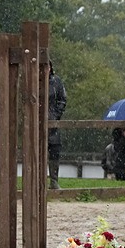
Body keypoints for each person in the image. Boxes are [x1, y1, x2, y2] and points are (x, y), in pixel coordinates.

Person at [46, 60, 67, 189]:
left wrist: (56, 114)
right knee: (38, 151)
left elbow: (62, 99)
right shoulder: (34, 80)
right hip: (37, 121)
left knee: (54, 150)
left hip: (53, 121)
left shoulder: (56, 81)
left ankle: (54, 180)